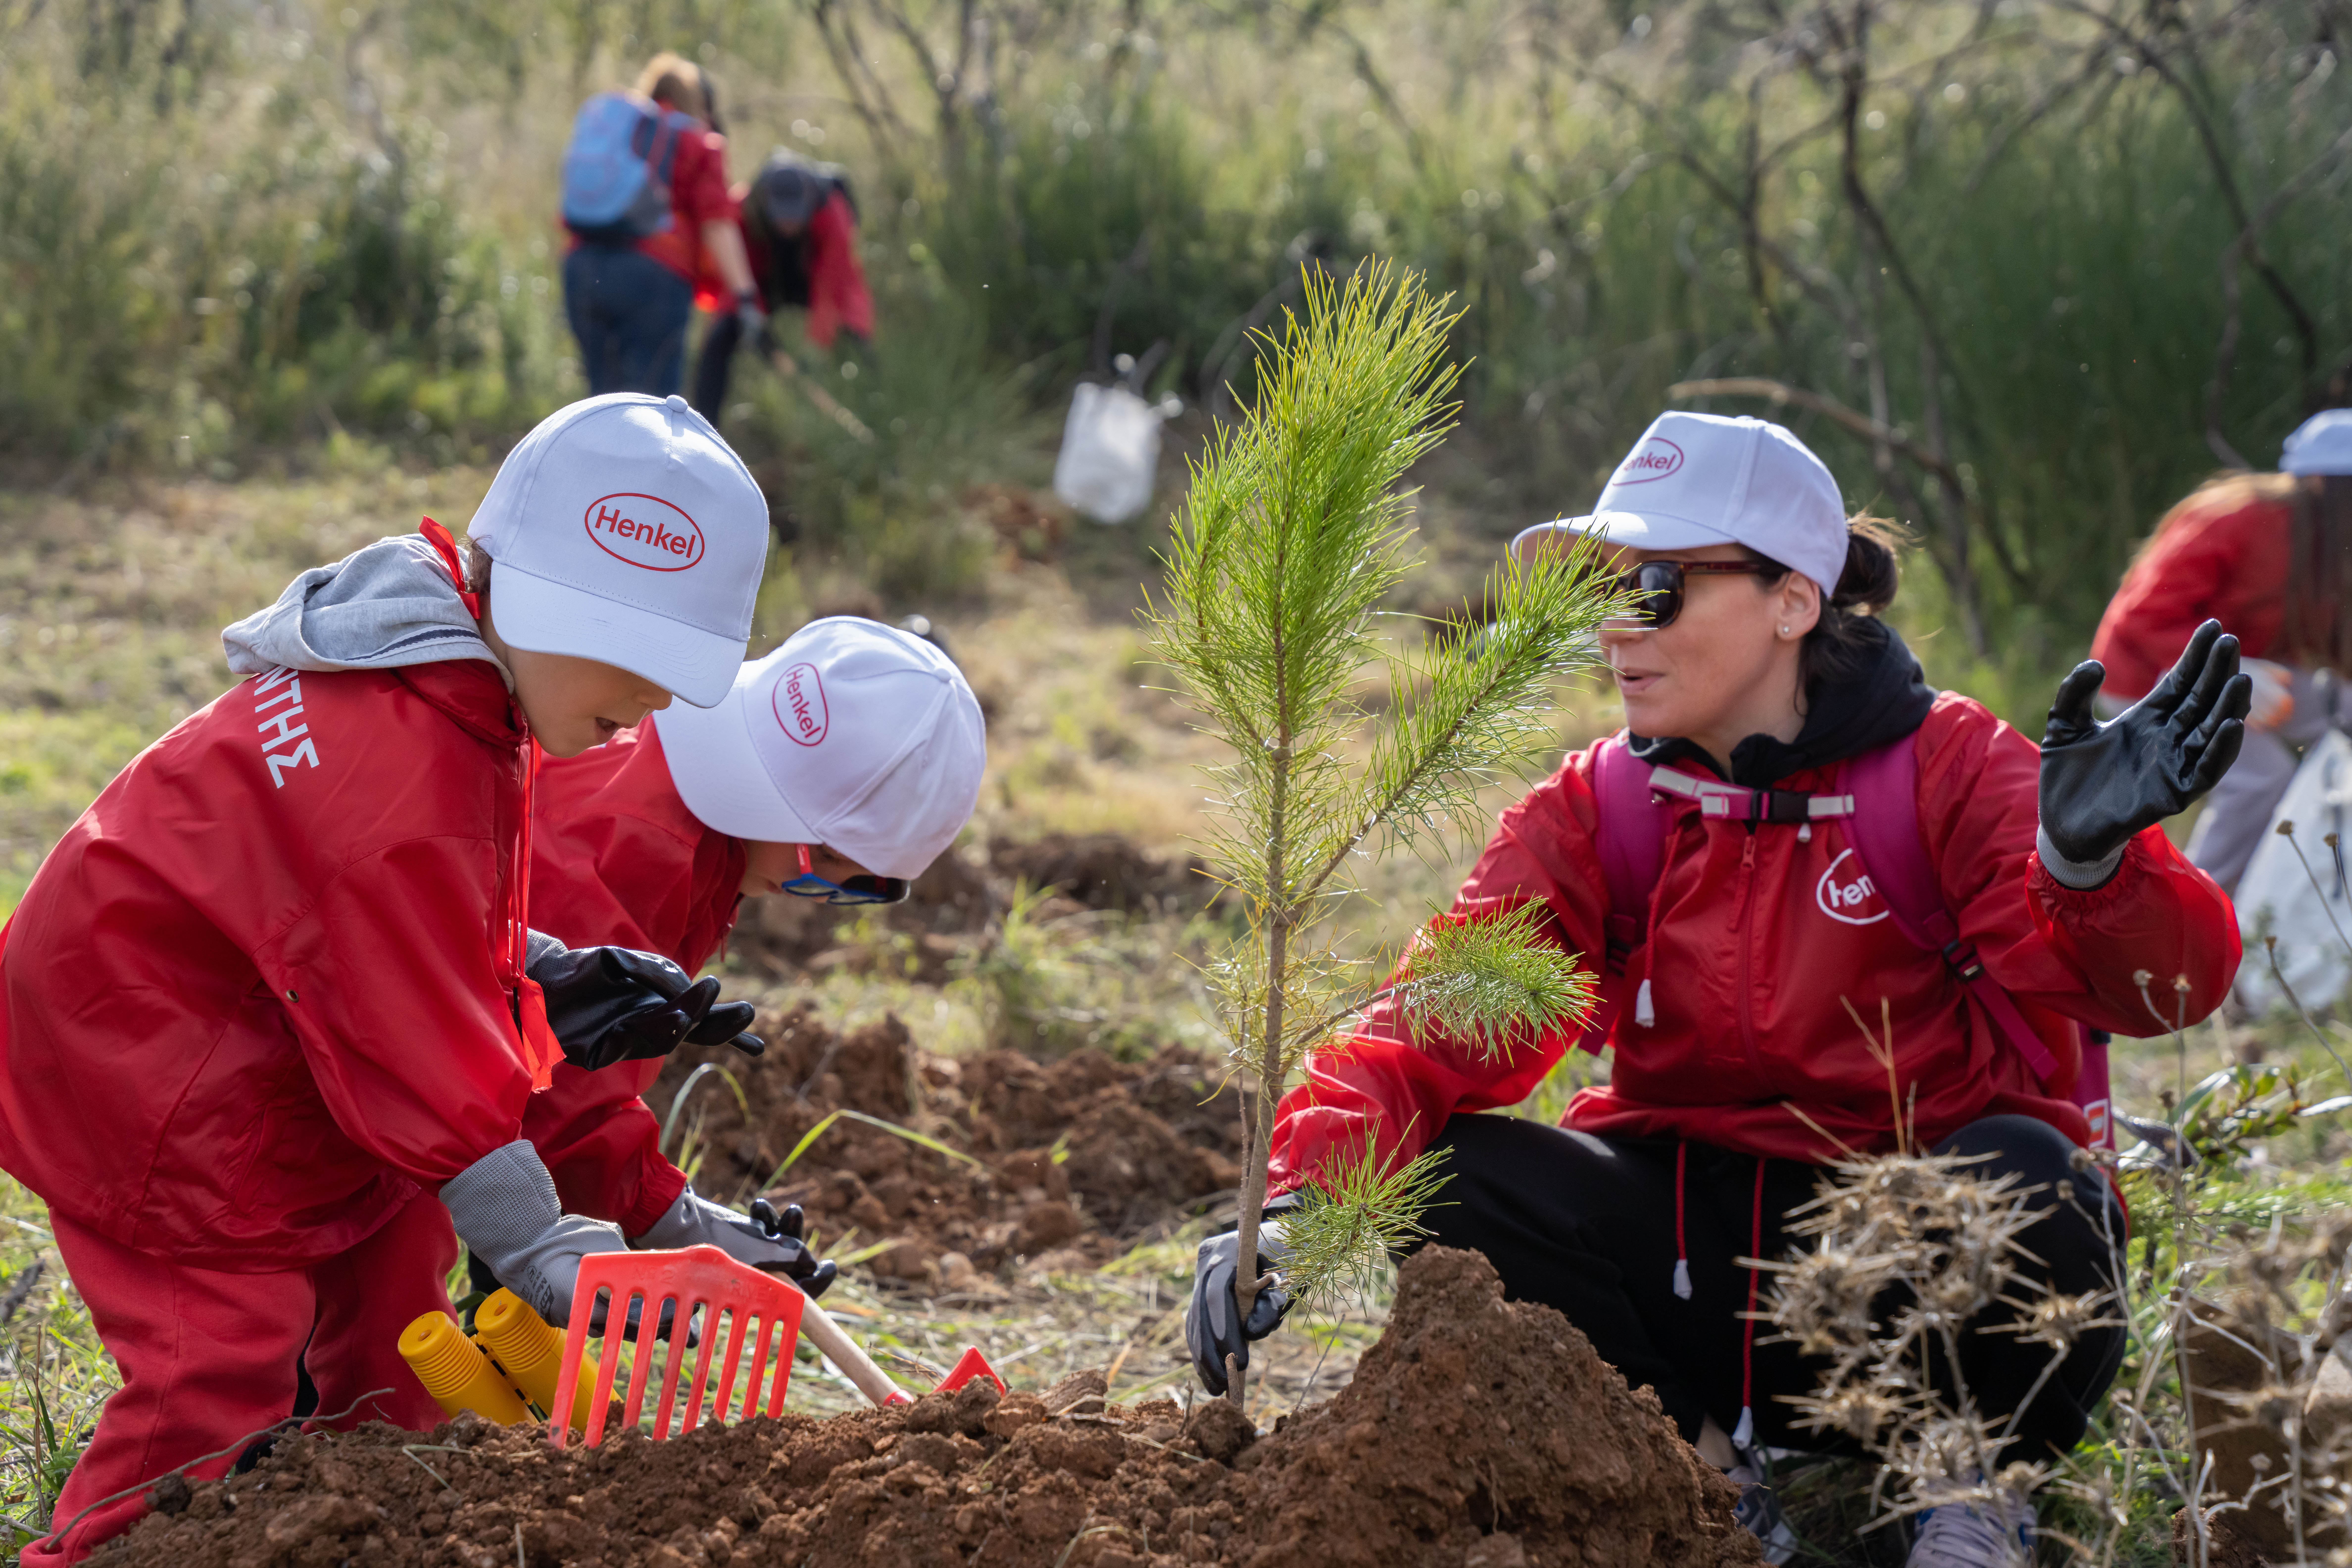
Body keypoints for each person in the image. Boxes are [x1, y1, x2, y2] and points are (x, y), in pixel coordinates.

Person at [1184, 412, 2247, 1567]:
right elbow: (1426, 1030)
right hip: (1693, 1291)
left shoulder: (1948, 769)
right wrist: (1295, 1206)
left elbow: (2162, 992)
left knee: (2040, 1184)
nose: (1609, 628)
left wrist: (2089, 867)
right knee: (1449, 1179)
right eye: (1602, 589)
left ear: (1792, 601)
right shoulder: (1601, 807)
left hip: (1910, 1297)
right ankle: (1702, 1486)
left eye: (1651, 587)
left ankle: (1966, 1501)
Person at [0, 393, 834, 1566]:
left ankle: (371, 1502)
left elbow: (381, 921)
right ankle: (105, 1546)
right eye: (642, 665)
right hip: (146, 1069)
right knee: (218, 1367)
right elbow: (406, 1019)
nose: (658, 706)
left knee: (396, 1289)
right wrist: (541, 1241)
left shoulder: (443, 673)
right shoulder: (403, 776)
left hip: (233, 1015)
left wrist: (544, 967)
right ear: (549, 607)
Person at [509, 616, 986, 1276]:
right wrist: (680, 1223)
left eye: (852, 888)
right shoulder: (638, 850)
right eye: (820, 863)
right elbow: (549, 1099)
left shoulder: (696, 813)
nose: (801, 890)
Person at [2088, 408, 2352, 893]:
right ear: (2319, 482)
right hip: (2147, 681)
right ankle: (2202, 915)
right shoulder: (2236, 519)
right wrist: (2228, 669)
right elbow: (2140, 620)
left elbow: (2331, 643)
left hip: (2243, 680)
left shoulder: (2327, 537)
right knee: (2261, 779)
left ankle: (2321, 895)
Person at [562, 54, 765, 398]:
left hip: (582, 268)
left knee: (600, 402)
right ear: (697, 101)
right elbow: (718, 225)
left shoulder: (622, 132)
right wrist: (746, 297)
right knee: (653, 407)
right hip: (654, 276)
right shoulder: (696, 141)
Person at [688, 152, 876, 426]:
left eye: (795, 216)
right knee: (720, 337)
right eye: (782, 216)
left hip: (814, 279)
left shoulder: (832, 212)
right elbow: (738, 275)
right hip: (764, 281)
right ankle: (703, 428)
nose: (788, 225)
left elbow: (834, 284)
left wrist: (816, 347)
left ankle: (878, 415)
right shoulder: (744, 209)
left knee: (857, 342)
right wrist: (752, 314)